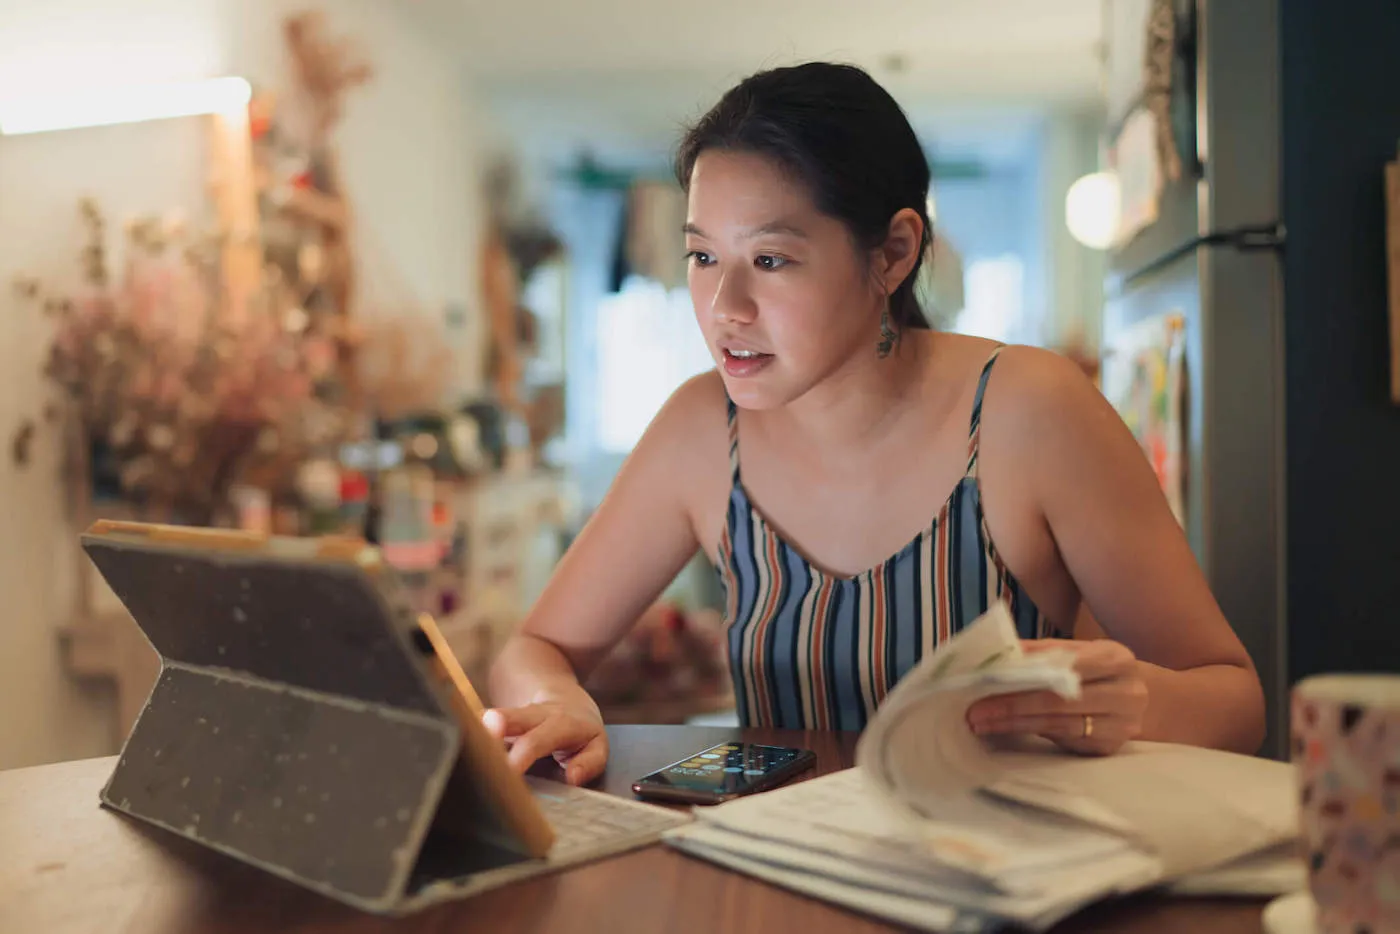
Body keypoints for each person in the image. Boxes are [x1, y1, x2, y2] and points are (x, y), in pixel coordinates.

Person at [484, 62, 1266, 786]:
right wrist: (560, 700)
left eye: (770, 260)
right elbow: (535, 649)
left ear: (893, 252)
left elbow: (1234, 702)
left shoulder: (1028, 411)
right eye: (700, 257)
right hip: (783, 876)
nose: (724, 309)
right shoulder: (701, 430)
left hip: (997, 878)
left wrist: (1129, 704)